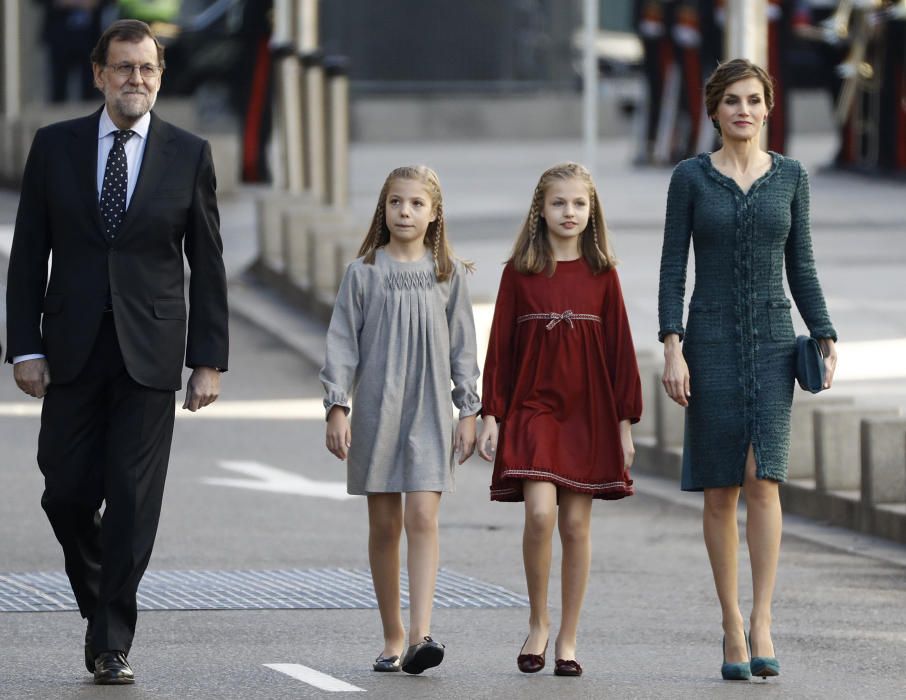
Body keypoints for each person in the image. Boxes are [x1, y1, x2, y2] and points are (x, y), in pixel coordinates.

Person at [5, 19, 229, 685]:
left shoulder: (188, 153)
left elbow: (209, 263)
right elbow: (28, 258)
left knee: (133, 498)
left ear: (160, 78)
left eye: (148, 70)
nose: (137, 80)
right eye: (125, 68)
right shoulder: (55, 147)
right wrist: (23, 348)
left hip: (151, 351)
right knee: (66, 492)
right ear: (100, 74)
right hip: (70, 347)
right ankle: (102, 588)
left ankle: (110, 640)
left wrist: (207, 358)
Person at [657, 58, 837, 681]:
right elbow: (672, 269)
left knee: (765, 477)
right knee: (720, 484)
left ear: (768, 108)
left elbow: (803, 266)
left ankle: (762, 619)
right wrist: (672, 345)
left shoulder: (791, 177)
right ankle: (730, 622)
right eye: (731, 100)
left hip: (772, 339)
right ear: (714, 111)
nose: (743, 110)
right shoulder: (690, 178)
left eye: (753, 100)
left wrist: (824, 330)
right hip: (708, 338)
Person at [477, 162, 642, 678]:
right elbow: (500, 346)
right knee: (541, 515)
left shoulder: (602, 275)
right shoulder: (518, 274)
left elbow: (620, 352)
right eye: (558, 203)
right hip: (533, 409)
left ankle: (568, 636)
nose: (568, 212)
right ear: (539, 209)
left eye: (578, 204)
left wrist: (625, 424)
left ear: (592, 212)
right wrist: (491, 413)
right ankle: (538, 621)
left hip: (589, 413)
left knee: (574, 524)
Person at [319, 165, 480, 675]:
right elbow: (342, 344)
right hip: (376, 410)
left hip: (430, 410)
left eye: (415, 204)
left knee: (423, 517)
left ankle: (421, 633)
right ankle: (391, 634)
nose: (404, 212)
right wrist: (337, 406)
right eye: (395, 202)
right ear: (383, 209)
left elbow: (463, 348)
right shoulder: (363, 273)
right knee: (385, 524)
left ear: (434, 215)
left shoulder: (447, 275)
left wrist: (469, 410)